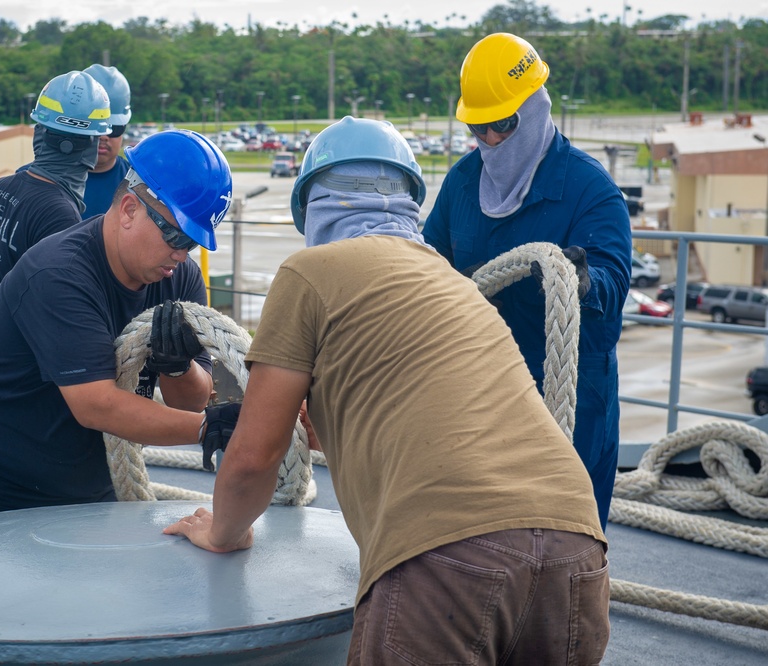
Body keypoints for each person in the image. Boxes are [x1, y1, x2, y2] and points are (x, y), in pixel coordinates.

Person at [165, 117, 610, 664]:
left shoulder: (310, 271)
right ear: (408, 203)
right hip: (576, 546)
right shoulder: (456, 285)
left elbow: (256, 456)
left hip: (449, 549)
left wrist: (223, 533)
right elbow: (413, 415)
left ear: (312, 204)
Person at [0, 129, 237, 528]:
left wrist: (179, 366)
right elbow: (96, 404)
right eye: (175, 235)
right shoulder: (61, 272)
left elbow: (192, 402)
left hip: (77, 493)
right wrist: (213, 428)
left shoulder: (179, 279)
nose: (180, 254)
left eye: (192, 242)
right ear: (129, 209)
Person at [421, 33, 632, 530]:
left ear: (535, 109)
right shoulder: (461, 183)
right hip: (479, 398)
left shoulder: (590, 191)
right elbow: (428, 263)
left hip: (571, 404)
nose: (490, 140)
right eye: (478, 127)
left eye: (502, 125)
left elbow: (613, 286)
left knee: (565, 543)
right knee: (479, 538)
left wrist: (581, 281)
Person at [0, 70, 111, 345]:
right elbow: (58, 311)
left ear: (40, 132)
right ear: (89, 145)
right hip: (19, 366)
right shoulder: (59, 212)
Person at [82, 64, 133, 219]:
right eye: (97, 128)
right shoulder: (47, 182)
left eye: (113, 129)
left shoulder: (138, 184)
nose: (104, 137)